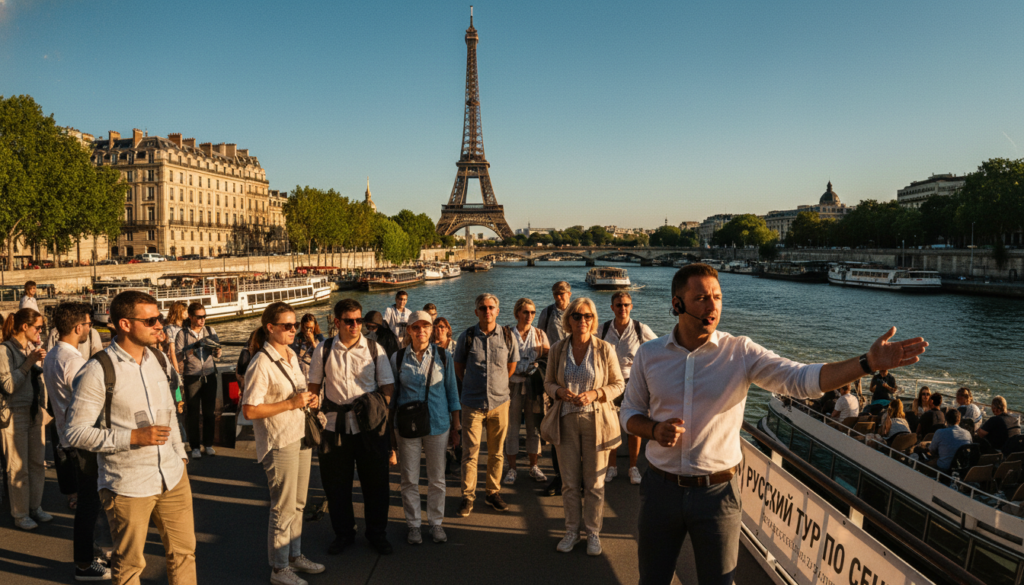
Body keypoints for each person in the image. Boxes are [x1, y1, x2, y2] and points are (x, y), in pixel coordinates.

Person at [620, 263, 928, 585]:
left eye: (718, 297)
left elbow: (800, 379)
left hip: (718, 495)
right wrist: (654, 430)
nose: (713, 306)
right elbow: (628, 412)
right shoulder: (649, 354)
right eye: (701, 298)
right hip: (660, 490)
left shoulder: (739, 352)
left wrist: (866, 363)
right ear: (677, 304)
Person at [66, 290, 195, 585]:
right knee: (130, 564)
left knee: (184, 553)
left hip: (173, 476)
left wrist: (181, 454)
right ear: (125, 324)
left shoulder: (159, 360)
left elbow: (169, 414)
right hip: (128, 483)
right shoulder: (98, 370)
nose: (158, 325)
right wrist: (133, 437)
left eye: (159, 318)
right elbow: (75, 432)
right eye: (150, 320)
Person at [242, 302, 326, 585]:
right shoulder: (261, 363)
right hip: (279, 441)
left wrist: (309, 400)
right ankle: (279, 569)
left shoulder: (290, 354)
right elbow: (250, 410)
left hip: (299, 433)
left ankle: (294, 555)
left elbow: (298, 393)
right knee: (283, 506)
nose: (294, 330)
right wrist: (291, 403)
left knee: (299, 503)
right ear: (270, 328)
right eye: (287, 326)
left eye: (296, 325)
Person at [307, 299, 396, 556]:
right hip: (334, 427)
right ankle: (344, 533)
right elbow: (314, 388)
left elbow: (387, 387)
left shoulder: (374, 349)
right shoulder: (323, 350)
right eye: (349, 321)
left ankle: (377, 534)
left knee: (376, 485)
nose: (356, 325)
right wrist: (314, 412)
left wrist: (378, 411)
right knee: (336, 486)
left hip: (369, 428)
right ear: (337, 322)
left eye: (359, 320)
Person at [544, 297, 624, 556]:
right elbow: (547, 383)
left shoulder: (604, 349)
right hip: (566, 418)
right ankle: (571, 530)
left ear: (594, 319)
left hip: (596, 420)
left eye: (587, 316)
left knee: (594, 482)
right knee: (569, 482)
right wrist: (560, 392)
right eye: (577, 316)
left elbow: (618, 384)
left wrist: (596, 393)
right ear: (568, 320)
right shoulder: (557, 348)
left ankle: (592, 532)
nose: (582, 320)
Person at [42, 302, 110, 580]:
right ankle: (84, 563)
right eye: (87, 323)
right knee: (89, 505)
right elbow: (90, 400)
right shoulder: (74, 362)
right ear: (77, 327)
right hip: (81, 441)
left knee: (86, 502)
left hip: (64, 434)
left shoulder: (53, 355)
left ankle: (89, 553)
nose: (90, 328)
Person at [389, 311, 460, 545]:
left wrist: (456, 424)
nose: (421, 331)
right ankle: (414, 524)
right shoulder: (398, 359)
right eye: (416, 327)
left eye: (426, 327)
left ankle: (436, 523)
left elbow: (452, 392)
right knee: (409, 477)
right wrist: (391, 429)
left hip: (438, 422)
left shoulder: (443, 356)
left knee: (437, 478)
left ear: (432, 330)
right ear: (409, 330)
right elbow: (392, 396)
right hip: (408, 425)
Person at [454, 293, 520, 517]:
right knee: (470, 453)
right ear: (476, 312)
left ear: (498, 311)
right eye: (483, 308)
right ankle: (467, 496)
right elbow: (459, 367)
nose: (487, 311)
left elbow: (511, 366)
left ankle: (492, 492)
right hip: (472, 402)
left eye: (491, 307)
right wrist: (474, 386)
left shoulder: (508, 336)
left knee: (496, 453)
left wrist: (498, 386)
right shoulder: (467, 336)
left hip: (500, 402)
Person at [597, 291, 656, 485]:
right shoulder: (603, 329)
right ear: (612, 307)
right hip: (610, 383)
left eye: (626, 304)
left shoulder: (640, 329)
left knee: (634, 427)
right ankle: (612, 466)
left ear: (631, 306)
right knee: (611, 426)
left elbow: (658, 351)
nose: (622, 308)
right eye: (618, 305)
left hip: (633, 383)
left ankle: (633, 467)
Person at [1, 308, 51, 530]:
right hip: (14, 413)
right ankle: (20, 514)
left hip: (34, 412)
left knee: (37, 464)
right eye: (38, 328)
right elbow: (8, 386)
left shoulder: (31, 348)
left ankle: (35, 507)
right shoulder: (5, 350)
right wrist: (30, 362)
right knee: (17, 466)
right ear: (24, 326)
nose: (41, 331)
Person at [504, 298, 549, 485]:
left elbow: (548, 358)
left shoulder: (539, 334)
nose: (529, 316)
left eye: (532, 312)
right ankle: (512, 468)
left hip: (533, 385)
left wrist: (539, 365)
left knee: (534, 427)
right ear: (517, 314)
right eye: (525, 312)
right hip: (512, 384)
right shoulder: (506, 334)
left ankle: (533, 466)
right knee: (512, 428)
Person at [537, 281, 572, 496]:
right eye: (556, 294)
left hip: (576, 372)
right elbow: (540, 338)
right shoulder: (547, 313)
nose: (559, 297)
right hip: (554, 373)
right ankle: (559, 476)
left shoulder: (578, 312)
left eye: (562, 294)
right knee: (556, 429)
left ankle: (576, 478)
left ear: (569, 294)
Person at [175, 302, 222, 458]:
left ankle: (208, 444)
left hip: (209, 375)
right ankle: (195, 446)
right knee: (193, 413)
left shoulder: (210, 330)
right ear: (191, 317)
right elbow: (178, 356)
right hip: (192, 376)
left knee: (209, 412)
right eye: (199, 317)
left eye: (204, 316)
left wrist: (217, 352)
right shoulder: (182, 334)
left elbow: (218, 352)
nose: (203, 320)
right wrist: (193, 349)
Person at [290, 314, 325, 380]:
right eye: (307, 327)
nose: (308, 330)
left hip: (314, 372)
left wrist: (312, 341)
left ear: (314, 327)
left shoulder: (319, 338)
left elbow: (322, 355)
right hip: (300, 372)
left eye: (311, 328)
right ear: (303, 326)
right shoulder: (298, 338)